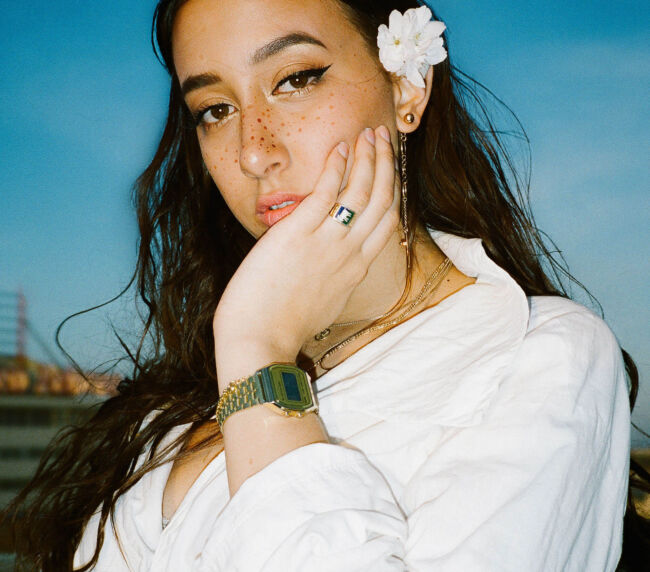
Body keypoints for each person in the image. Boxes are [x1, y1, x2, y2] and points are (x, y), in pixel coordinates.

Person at [4, 1, 646, 570]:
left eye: (296, 79)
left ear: (407, 86)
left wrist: (258, 354)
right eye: (216, 110)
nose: (253, 151)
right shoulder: (182, 396)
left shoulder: (540, 358)